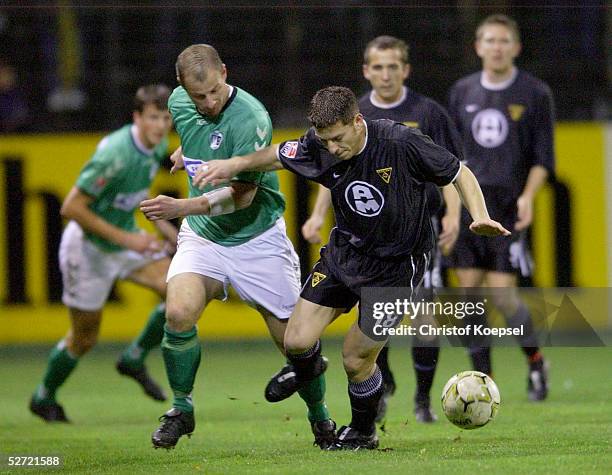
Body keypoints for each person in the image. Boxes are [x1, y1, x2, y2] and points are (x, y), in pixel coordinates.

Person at [195, 86, 510, 450]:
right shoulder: (319, 143)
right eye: (325, 140)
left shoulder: (400, 141)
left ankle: (363, 430)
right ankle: (308, 368)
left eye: (338, 138)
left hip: (397, 268)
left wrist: (481, 215)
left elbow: (459, 173)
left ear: (358, 122)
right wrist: (232, 165)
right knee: (296, 341)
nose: (332, 148)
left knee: (355, 358)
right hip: (345, 254)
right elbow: (276, 156)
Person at [139, 44, 334, 450]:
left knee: (296, 345)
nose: (208, 103)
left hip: (258, 239)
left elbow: (242, 194)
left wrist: (181, 207)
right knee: (178, 312)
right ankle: (181, 409)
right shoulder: (179, 102)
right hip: (204, 238)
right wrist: (184, 153)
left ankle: (321, 420)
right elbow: (201, 137)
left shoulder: (251, 117)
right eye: (199, 97)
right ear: (182, 89)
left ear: (224, 73)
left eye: (214, 91)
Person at [301, 36, 464, 424]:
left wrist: (454, 217)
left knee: (424, 318)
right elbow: (334, 174)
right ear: (366, 70)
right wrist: (316, 215)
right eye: (378, 67)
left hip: (416, 233)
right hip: (367, 238)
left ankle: (423, 400)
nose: (385, 74)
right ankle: (383, 384)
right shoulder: (354, 115)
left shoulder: (428, 112)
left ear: (405, 70)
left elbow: (452, 169)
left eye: (393, 66)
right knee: (371, 317)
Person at [29, 84, 177, 422]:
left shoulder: (154, 148)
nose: (160, 125)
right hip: (87, 249)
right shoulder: (114, 154)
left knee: (179, 290)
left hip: (126, 237)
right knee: (84, 338)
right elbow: (71, 208)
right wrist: (129, 241)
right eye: (154, 117)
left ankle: (134, 358)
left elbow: (130, 197)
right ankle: (43, 396)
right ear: (137, 117)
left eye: (166, 118)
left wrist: (164, 229)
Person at [447, 14, 554, 401]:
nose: (496, 47)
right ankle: (484, 383)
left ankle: (536, 361)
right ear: (478, 47)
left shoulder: (535, 93)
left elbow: (543, 157)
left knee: (504, 297)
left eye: (503, 40)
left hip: (508, 207)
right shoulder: (461, 92)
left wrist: (527, 196)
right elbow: (450, 159)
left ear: (516, 47)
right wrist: (449, 208)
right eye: (489, 40)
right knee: (468, 295)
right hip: (467, 206)